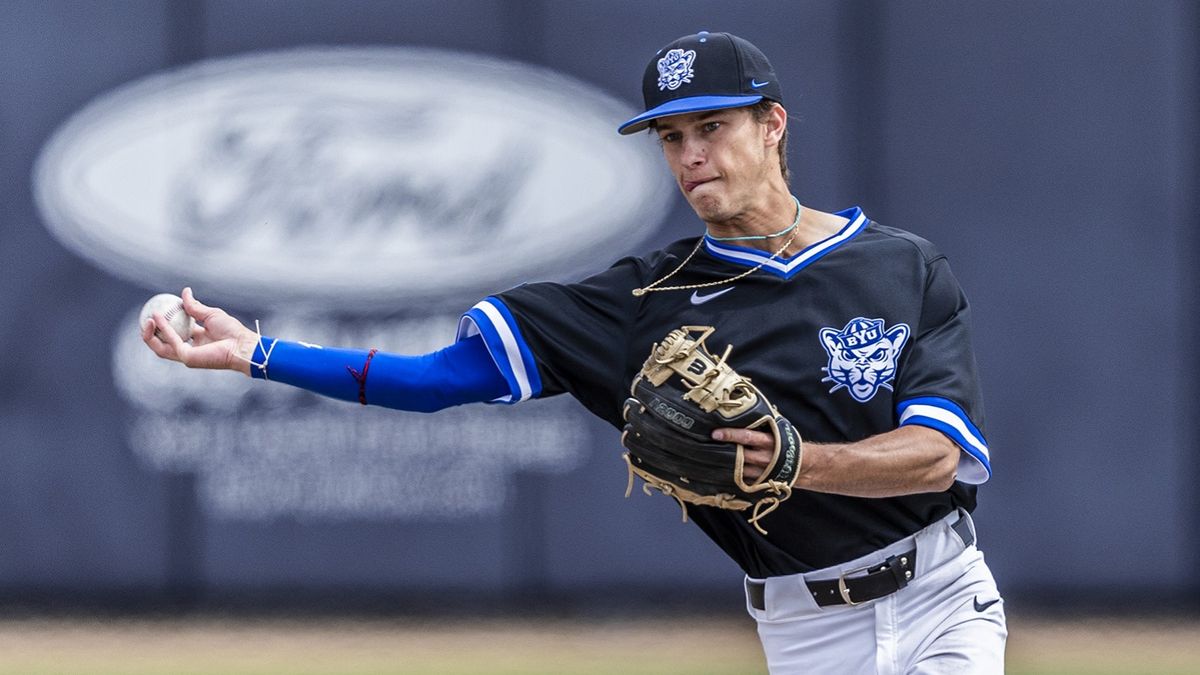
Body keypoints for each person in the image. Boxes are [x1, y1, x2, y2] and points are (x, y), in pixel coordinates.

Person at [144, 31, 1006, 674]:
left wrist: (796, 462)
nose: (692, 155)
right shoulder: (638, 304)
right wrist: (259, 354)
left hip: (943, 599)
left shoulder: (899, 266)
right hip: (805, 633)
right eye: (671, 138)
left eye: (712, 127)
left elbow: (936, 459)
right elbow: (436, 380)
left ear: (773, 124)